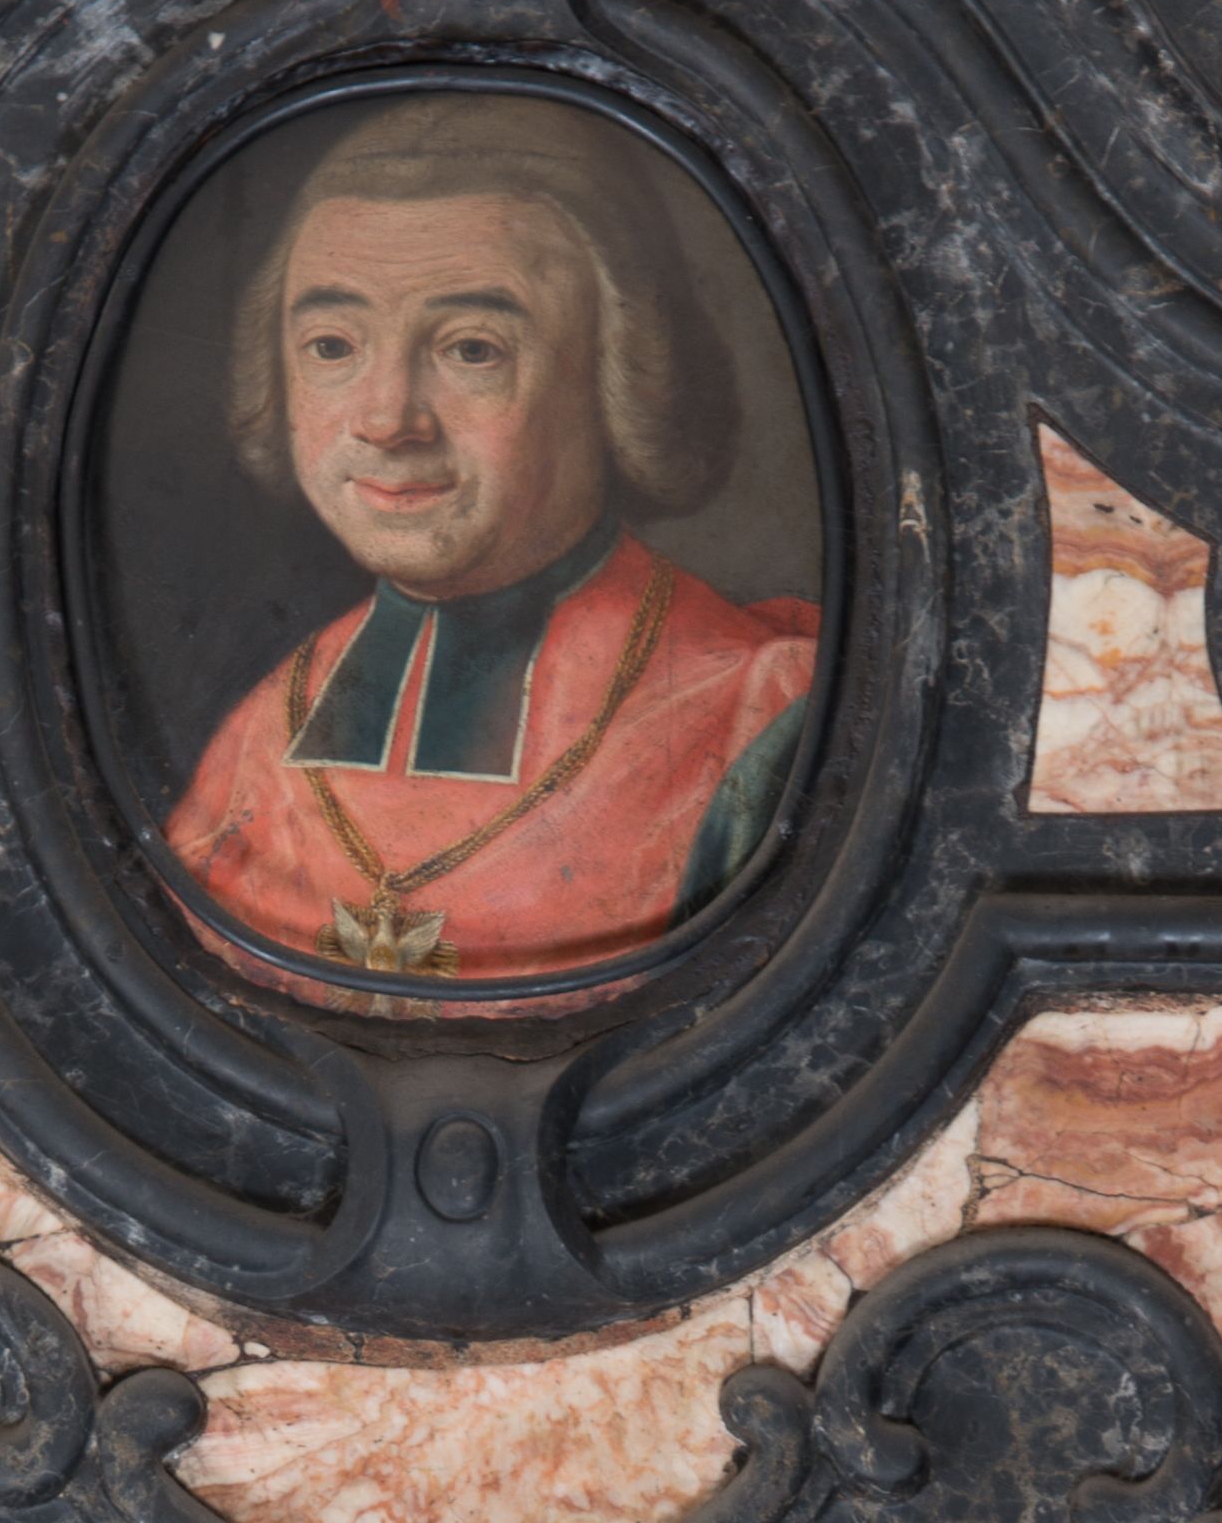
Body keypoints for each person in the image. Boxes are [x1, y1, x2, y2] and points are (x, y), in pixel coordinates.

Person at [163, 95, 819, 986]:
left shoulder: (759, 718)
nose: (387, 418)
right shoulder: (259, 737)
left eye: (471, 349)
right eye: (332, 345)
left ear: (619, 378)